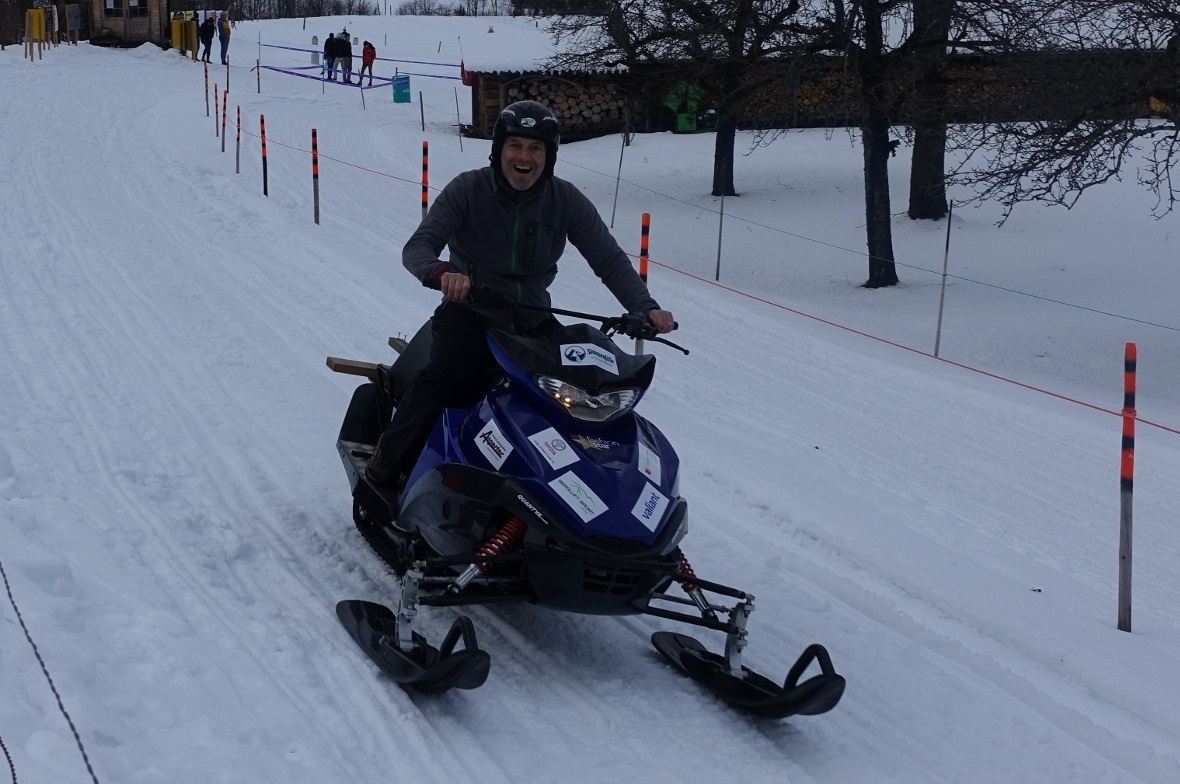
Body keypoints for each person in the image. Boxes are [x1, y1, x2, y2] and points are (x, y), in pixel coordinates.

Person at [366, 100, 675, 489]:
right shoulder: (468, 189)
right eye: (514, 145)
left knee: (580, 393)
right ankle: (386, 461)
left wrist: (645, 308)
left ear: (549, 157)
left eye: (535, 148)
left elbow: (609, 260)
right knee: (445, 379)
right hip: (469, 314)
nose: (524, 157)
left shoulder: (565, 200)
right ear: (499, 150)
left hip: (531, 321)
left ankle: (569, 487)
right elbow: (418, 248)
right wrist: (443, 272)